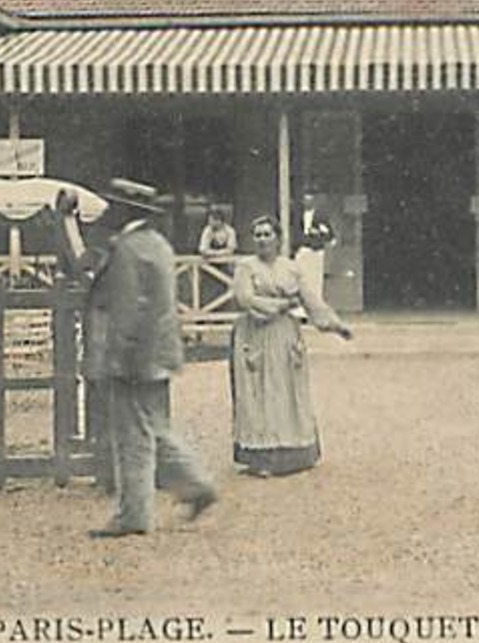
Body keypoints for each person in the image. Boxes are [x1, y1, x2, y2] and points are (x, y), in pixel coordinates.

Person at [85, 179, 216, 536]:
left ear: (128, 211)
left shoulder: (128, 248)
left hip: (136, 355)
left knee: (133, 437)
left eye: (115, 205)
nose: (110, 211)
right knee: (153, 427)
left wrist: (120, 356)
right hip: (159, 351)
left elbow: (129, 307)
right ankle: (195, 484)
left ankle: (134, 515)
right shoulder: (157, 244)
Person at [230, 214, 353, 476]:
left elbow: (311, 301)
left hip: (285, 336)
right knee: (259, 391)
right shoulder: (245, 267)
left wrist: (335, 325)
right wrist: (280, 305)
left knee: (285, 391)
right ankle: (260, 456)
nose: (262, 240)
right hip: (255, 335)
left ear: (278, 238)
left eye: (267, 234)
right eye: (258, 235)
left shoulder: (291, 268)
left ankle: (292, 454)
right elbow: (245, 299)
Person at [290, 189, 336, 299]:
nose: (307, 203)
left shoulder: (321, 216)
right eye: (305, 200)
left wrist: (318, 233)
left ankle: (316, 303)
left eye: (310, 200)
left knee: (315, 280)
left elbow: (330, 235)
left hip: (316, 250)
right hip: (302, 249)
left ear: (314, 201)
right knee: (300, 277)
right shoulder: (298, 215)